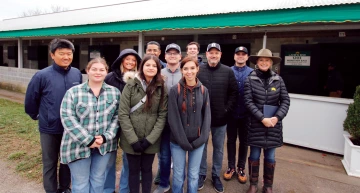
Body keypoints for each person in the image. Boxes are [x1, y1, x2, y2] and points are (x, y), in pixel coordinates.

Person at [25, 38, 82, 193]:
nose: (66, 57)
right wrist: (37, 115)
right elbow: (31, 99)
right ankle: (51, 190)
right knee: (49, 163)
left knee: (67, 160)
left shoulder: (76, 74)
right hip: (49, 128)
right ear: (52, 55)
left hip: (70, 129)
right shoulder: (41, 75)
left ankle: (64, 188)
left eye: (69, 54)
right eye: (61, 53)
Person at [60, 58, 120, 193]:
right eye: (94, 69)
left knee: (98, 180)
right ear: (87, 71)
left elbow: (117, 117)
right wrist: (89, 140)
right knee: (80, 183)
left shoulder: (115, 93)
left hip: (104, 145)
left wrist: (105, 137)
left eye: (101, 69)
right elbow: (67, 118)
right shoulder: (73, 92)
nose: (98, 72)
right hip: (77, 145)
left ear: (106, 72)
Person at [118, 54, 167, 193]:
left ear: (158, 68)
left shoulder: (161, 87)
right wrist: (133, 140)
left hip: (150, 140)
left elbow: (162, 115)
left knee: (147, 170)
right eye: (148, 65)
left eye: (154, 66)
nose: (151, 68)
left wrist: (150, 140)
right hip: (130, 139)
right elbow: (123, 113)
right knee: (133, 171)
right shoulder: (130, 85)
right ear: (141, 67)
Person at [244, 48, 290, 193]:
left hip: (273, 126)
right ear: (257, 62)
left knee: (270, 157)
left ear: (271, 63)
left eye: (267, 60)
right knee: (254, 155)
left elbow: (285, 101)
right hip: (255, 125)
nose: (264, 62)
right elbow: (248, 101)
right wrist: (262, 118)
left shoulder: (278, 79)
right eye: (261, 60)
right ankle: (253, 183)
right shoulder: (250, 79)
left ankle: (268, 186)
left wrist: (277, 117)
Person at [197, 43, 238, 193]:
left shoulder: (228, 71)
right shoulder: (199, 70)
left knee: (219, 149)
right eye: (210, 53)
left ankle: (215, 175)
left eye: (216, 53)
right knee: (201, 148)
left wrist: (227, 110)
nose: (213, 55)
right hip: (202, 118)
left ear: (220, 55)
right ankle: (201, 174)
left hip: (221, 119)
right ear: (206, 55)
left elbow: (234, 93)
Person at [168, 56, 211, 193]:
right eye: (185, 68)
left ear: (197, 69)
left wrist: (202, 139)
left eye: (192, 68)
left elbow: (207, 117)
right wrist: (182, 141)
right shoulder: (175, 90)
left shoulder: (204, 91)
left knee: (193, 176)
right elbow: (173, 118)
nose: (189, 71)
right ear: (181, 70)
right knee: (178, 176)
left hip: (197, 141)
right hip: (178, 142)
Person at [103, 49, 141, 193]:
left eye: (134, 60)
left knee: (128, 159)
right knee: (109, 159)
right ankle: (108, 189)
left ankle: (124, 189)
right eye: (127, 59)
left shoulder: (138, 79)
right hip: (111, 123)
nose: (130, 62)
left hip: (130, 125)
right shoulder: (110, 77)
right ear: (121, 60)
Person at [153, 43, 183, 193]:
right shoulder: (158, 73)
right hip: (163, 122)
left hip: (180, 122)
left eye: (175, 53)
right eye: (169, 53)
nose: (172, 55)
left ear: (180, 56)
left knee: (179, 156)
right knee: (164, 155)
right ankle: (164, 183)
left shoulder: (185, 73)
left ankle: (179, 183)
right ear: (164, 56)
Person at [224, 46, 253, 184]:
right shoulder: (228, 71)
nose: (240, 56)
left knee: (244, 142)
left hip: (247, 114)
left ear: (247, 57)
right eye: (238, 54)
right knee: (230, 141)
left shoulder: (253, 73)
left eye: (243, 54)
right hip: (231, 113)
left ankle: (241, 168)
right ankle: (231, 167)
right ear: (234, 56)